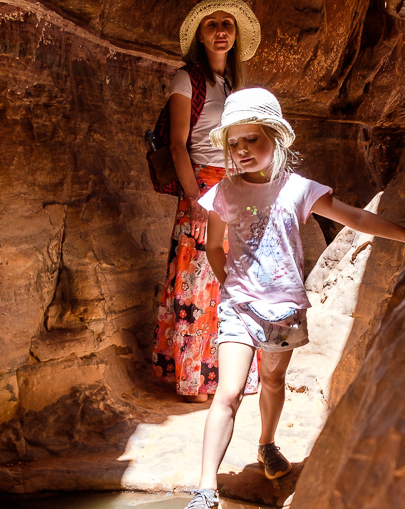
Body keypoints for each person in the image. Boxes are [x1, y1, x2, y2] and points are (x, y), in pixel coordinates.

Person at [181, 88, 405, 509]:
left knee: (274, 382)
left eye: (252, 140)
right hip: (240, 307)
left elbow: (353, 217)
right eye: (234, 143)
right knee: (227, 393)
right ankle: (205, 488)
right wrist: (230, 288)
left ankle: (267, 444)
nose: (241, 151)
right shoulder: (223, 193)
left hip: (284, 309)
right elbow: (215, 247)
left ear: (275, 139)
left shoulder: (298, 189)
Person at [151, 1, 262, 403]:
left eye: (227, 25)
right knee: (197, 282)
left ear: (235, 35)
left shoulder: (231, 84)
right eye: (212, 24)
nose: (220, 31)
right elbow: (179, 147)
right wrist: (195, 199)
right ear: (200, 35)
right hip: (201, 185)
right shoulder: (188, 79)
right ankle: (194, 379)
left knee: (230, 278)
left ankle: (227, 376)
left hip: (233, 186)